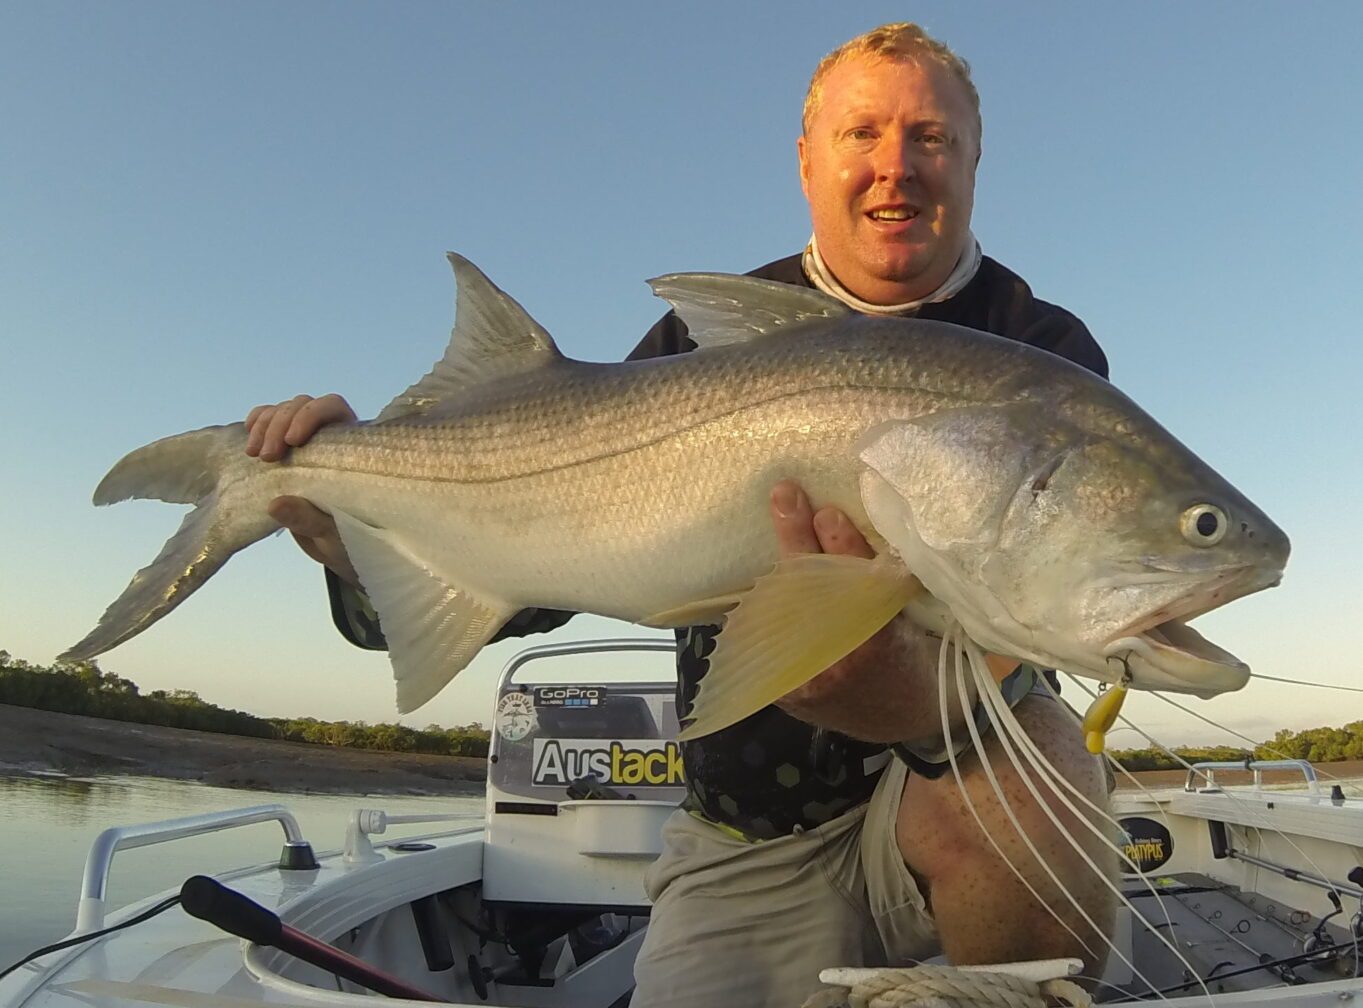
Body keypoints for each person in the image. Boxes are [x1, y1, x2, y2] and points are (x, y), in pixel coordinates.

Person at [244, 22, 1116, 1008]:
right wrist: (352, 543)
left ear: (972, 158)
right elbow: (545, 582)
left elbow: (1051, 595)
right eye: (862, 133)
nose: (895, 168)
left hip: (963, 799)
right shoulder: (695, 338)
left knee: (1036, 752)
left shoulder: (1037, 348)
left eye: (930, 138)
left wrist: (913, 708)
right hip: (748, 837)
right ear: (805, 160)